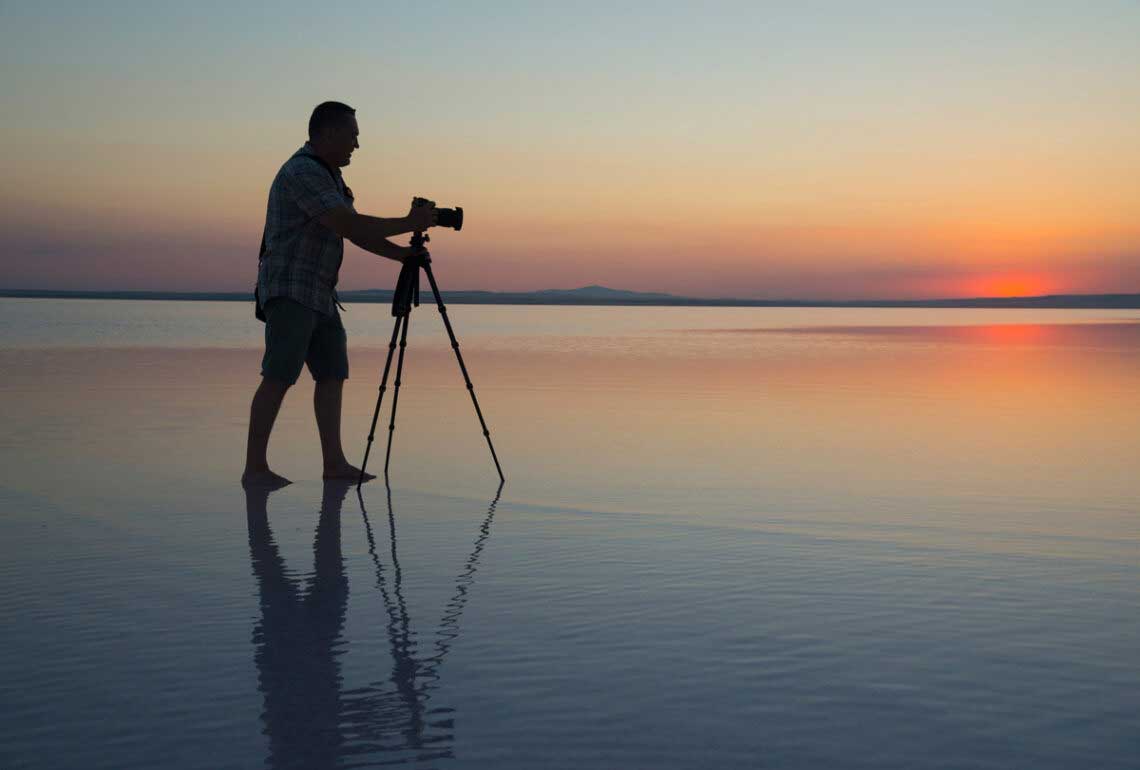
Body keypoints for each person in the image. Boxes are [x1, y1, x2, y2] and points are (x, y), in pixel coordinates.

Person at [242, 101, 436, 488]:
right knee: (279, 375)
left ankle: (334, 463)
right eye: (353, 136)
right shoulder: (302, 172)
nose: (357, 146)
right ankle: (255, 468)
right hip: (291, 287)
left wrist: (403, 255)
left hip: (320, 291)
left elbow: (356, 232)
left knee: (332, 374)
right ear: (328, 133)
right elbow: (346, 223)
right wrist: (408, 223)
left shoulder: (331, 178)